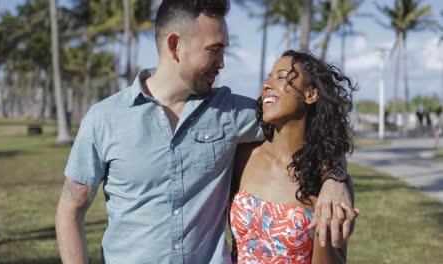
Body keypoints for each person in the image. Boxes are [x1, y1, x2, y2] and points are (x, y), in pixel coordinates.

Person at [55, 1, 357, 263]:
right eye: (214, 50)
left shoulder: (236, 113)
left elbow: (312, 130)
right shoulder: (104, 119)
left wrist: (335, 179)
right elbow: (71, 210)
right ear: (175, 46)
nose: (222, 63)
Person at [230, 50, 358, 263]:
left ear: (310, 94)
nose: (267, 85)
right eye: (268, 78)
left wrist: (322, 230)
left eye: (281, 77)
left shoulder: (329, 184)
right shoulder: (243, 156)